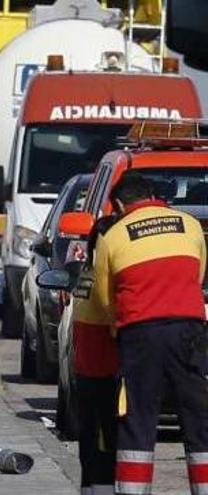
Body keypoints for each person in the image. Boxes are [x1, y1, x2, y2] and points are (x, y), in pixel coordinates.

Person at [91, 172, 208, 495]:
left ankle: (132, 491)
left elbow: (103, 298)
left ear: (118, 205)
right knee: (198, 417)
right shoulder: (190, 225)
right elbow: (197, 278)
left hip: (141, 334)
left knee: (138, 417)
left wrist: (117, 323)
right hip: (189, 330)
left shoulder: (113, 236)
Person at [71, 215, 118, 495]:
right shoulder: (106, 280)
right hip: (107, 370)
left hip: (85, 370)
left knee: (88, 436)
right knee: (108, 438)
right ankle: (102, 488)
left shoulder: (85, 275)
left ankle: (89, 487)